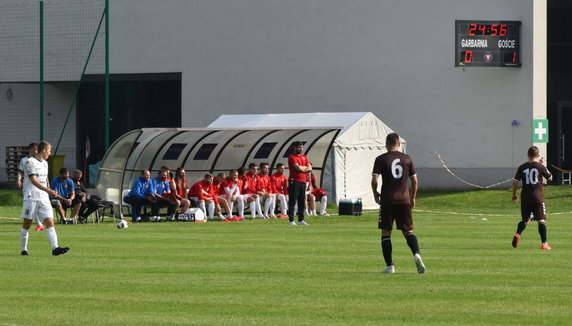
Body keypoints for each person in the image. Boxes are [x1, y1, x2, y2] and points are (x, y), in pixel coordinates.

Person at [371, 133, 425, 274]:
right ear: (399, 144)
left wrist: (375, 193)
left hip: (388, 200)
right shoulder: (407, 159)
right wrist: (412, 198)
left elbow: (375, 180)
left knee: (386, 233)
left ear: (386, 144)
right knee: (408, 231)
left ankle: (390, 267)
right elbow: (415, 181)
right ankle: (416, 254)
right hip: (404, 200)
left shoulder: (381, 159)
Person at [19, 140, 69, 256]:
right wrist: (48, 190)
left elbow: (45, 180)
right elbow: (34, 180)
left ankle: (55, 248)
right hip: (31, 196)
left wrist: (50, 190)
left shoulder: (45, 163)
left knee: (49, 221)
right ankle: (23, 249)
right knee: (27, 223)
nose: (50, 153)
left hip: (44, 197)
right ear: (44, 150)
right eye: (49, 151)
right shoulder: (30, 162)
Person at [511, 146, 553, 250]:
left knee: (525, 219)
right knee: (541, 220)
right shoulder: (540, 167)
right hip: (537, 197)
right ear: (538, 155)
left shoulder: (522, 167)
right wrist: (544, 165)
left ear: (528, 155)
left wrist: (514, 194)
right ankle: (544, 244)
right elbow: (550, 178)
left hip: (525, 197)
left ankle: (517, 234)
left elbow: (515, 182)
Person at [17, 142, 44, 231]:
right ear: (30, 149)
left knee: (37, 205)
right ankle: (40, 224)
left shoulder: (39, 161)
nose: (36, 150)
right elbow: (20, 171)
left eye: (37, 149)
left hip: (39, 187)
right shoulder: (24, 160)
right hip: (28, 187)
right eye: (35, 149)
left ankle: (41, 223)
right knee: (32, 205)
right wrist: (19, 180)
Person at [287, 141, 312, 225]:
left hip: (303, 181)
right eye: (299, 147)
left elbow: (310, 168)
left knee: (302, 201)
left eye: (302, 147)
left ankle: (301, 220)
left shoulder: (304, 157)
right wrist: (305, 168)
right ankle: (291, 220)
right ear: (294, 147)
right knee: (293, 201)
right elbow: (298, 169)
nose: (301, 149)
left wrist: (303, 168)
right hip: (294, 181)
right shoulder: (292, 157)